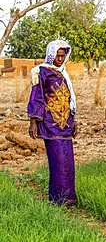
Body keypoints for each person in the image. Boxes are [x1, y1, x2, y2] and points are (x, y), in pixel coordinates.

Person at [27, 40, 77, 206]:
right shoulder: (41, 72)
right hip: (51, 123)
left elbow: (70, 99)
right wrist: (33, 121)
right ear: (51, 54)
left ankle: (69, 198)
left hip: (66, 124)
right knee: (57, 161)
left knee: (68, 161)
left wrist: (74, 119)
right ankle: (58, 198)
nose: (60, 59)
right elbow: (37, 96)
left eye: (63, 56)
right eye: (58, 55)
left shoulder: (64, 73)